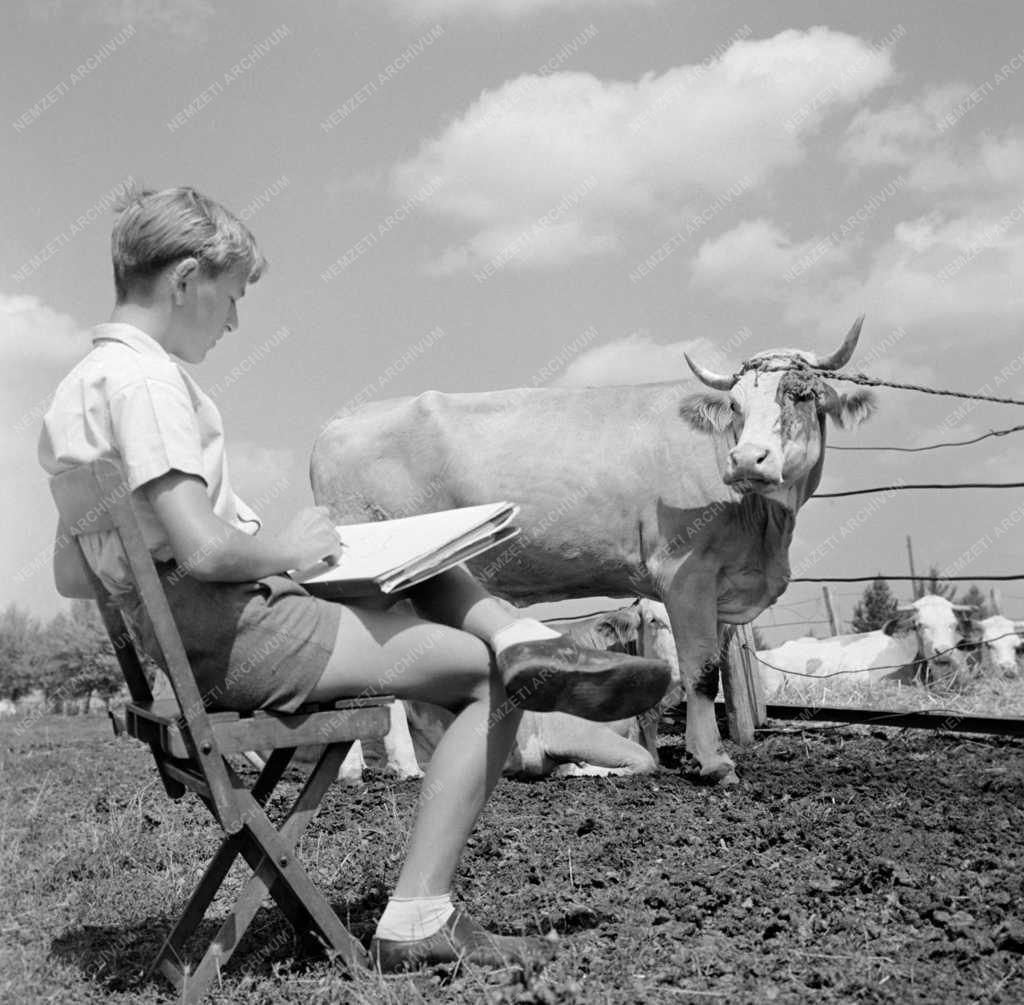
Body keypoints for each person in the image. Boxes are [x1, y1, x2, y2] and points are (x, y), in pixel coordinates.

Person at [38, 186, 671, 973]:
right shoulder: (147, 384)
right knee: (495, 684)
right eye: (232, 298)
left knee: (408, 558)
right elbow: (201, 550)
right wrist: (285, 547)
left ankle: (526, 635)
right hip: (232, 633)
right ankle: (418, 915)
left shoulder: (78, 391)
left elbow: (74, 571)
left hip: (194, 632)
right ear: (187, 278)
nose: (234, 320)